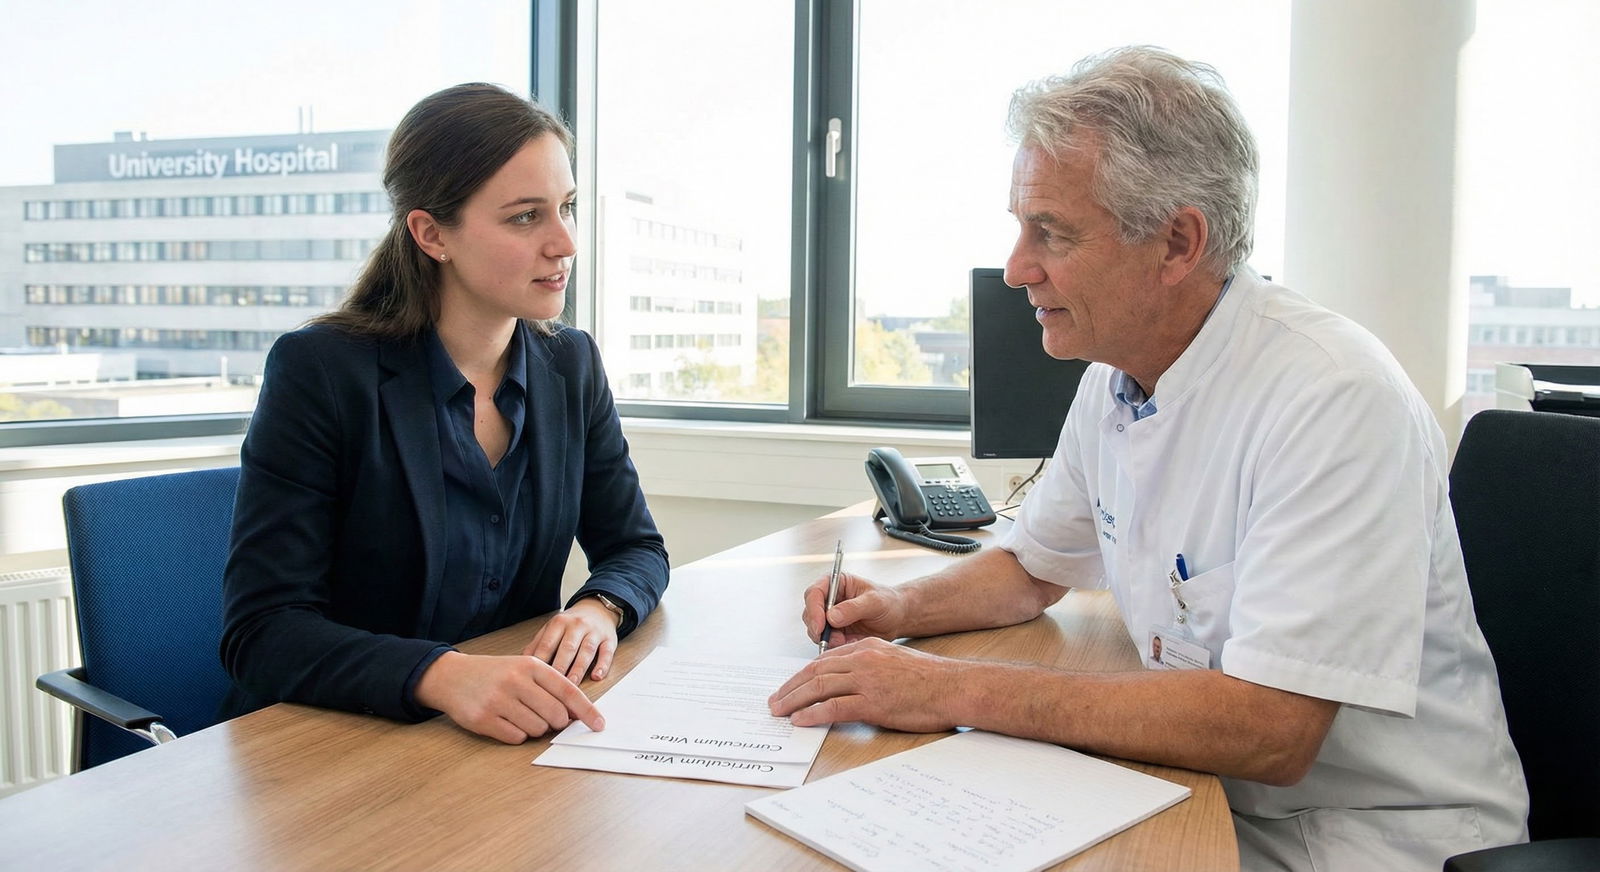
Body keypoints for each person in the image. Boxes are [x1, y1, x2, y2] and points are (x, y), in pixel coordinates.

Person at [769, 47, 1528, 870]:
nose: (1019, 268)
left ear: (1176, 243)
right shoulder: (1117, 379)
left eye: (1050, 233)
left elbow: (1271, 730)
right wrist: (900, 610)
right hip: (1194, 790)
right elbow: (1031, 568)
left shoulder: (1333, 396)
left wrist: (947, 689)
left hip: (1361, 833)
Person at [220, 83, 669, 745]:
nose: (565, 243)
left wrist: (600, 608)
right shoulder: (321, 371)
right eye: (525, 217)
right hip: (335, 742)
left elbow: (634, 547)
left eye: (567, 208)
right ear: (432, 234)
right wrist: (442, 674)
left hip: (500, 742)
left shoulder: (569, 366)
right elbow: (263, 631)